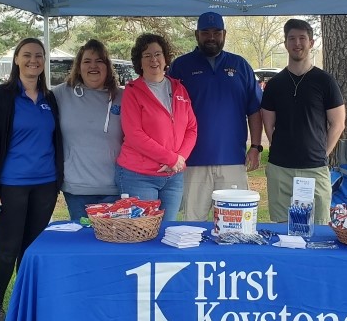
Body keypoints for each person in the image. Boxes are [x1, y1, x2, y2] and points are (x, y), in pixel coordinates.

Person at [0, 38, 63, 321]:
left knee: (31, 248)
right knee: (9, 247)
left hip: (45, 185)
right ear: (16, 59)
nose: (33, 60)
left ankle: (26, 301)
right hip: (10, 185)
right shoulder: (2, 97)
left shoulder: (49, 98)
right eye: (27, 55)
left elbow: (56, 140)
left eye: (39, 56)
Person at [169, 11, 263, 222]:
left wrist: (256, 147)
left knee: (235, 224)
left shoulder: (240, 66)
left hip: (232, 160)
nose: (211, 37)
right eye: (205, 32)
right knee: (193, 224)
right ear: (197, 35)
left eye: (216, 32)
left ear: (224, 34)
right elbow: (169, 113)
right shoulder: (180, 67)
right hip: (192, 160)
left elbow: (254, 110)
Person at [260, 19, 346, 224]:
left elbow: (338, 123)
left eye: (302, 38)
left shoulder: (325, 81)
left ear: (311, 42)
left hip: (314, 169)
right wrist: (281, 147)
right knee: (282, 227)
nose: (297, 43)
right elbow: (268, 124)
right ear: (285, 43)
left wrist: (322, 153)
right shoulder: (275, 84)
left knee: (318, 226)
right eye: (292, 38)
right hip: (280, 168)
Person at [116, 33, 197, 221]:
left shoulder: (179, 89)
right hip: (139, 176)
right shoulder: (132, 92)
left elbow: (192, 128)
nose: (154, 60)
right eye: (147, 55)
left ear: (165, 58)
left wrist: (180, 159)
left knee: (167, 231)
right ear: (140, 61)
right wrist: (170, 158)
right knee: (142, 231)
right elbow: (134, 134)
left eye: (158, 54)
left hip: (174, 175)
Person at [51, 39, 123, 221]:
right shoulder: (60, 94)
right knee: (82, 244)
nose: (93, 66)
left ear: (107, 66)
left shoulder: (123, 96)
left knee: (110, 244)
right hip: (76, 188)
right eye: (87, 61)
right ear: (78, 67)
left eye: (99, 61)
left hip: (115, 188)